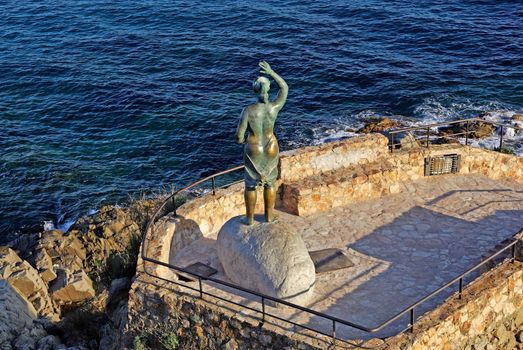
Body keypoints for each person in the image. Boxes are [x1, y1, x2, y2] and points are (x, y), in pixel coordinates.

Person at [235, 61, 288, 225]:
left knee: (251, 186)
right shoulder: (274, 107)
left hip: (254, 147)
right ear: (268, 89)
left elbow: (238, 137)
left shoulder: (248, 110)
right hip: (271, 145)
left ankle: (249, 219)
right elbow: (284, 88)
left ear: (255, 90)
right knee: (270, 183)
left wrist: (243, 140)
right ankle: (268, 216)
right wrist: (271, 72)